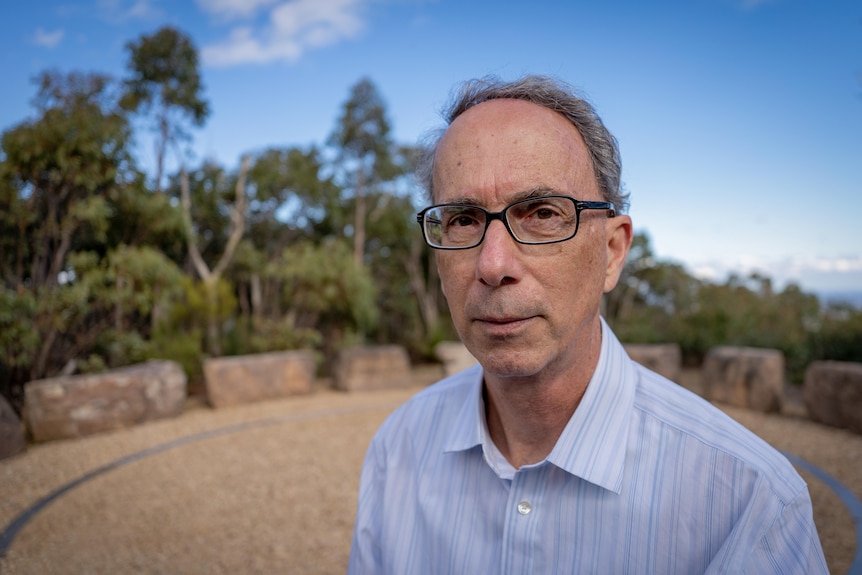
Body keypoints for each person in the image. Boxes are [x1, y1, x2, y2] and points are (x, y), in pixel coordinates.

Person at [347, 75, 827, 574]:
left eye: (542, 213)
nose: (492, 264)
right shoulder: (398, 449)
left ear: (613, 252)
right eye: (464, 219)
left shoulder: (745, 501)